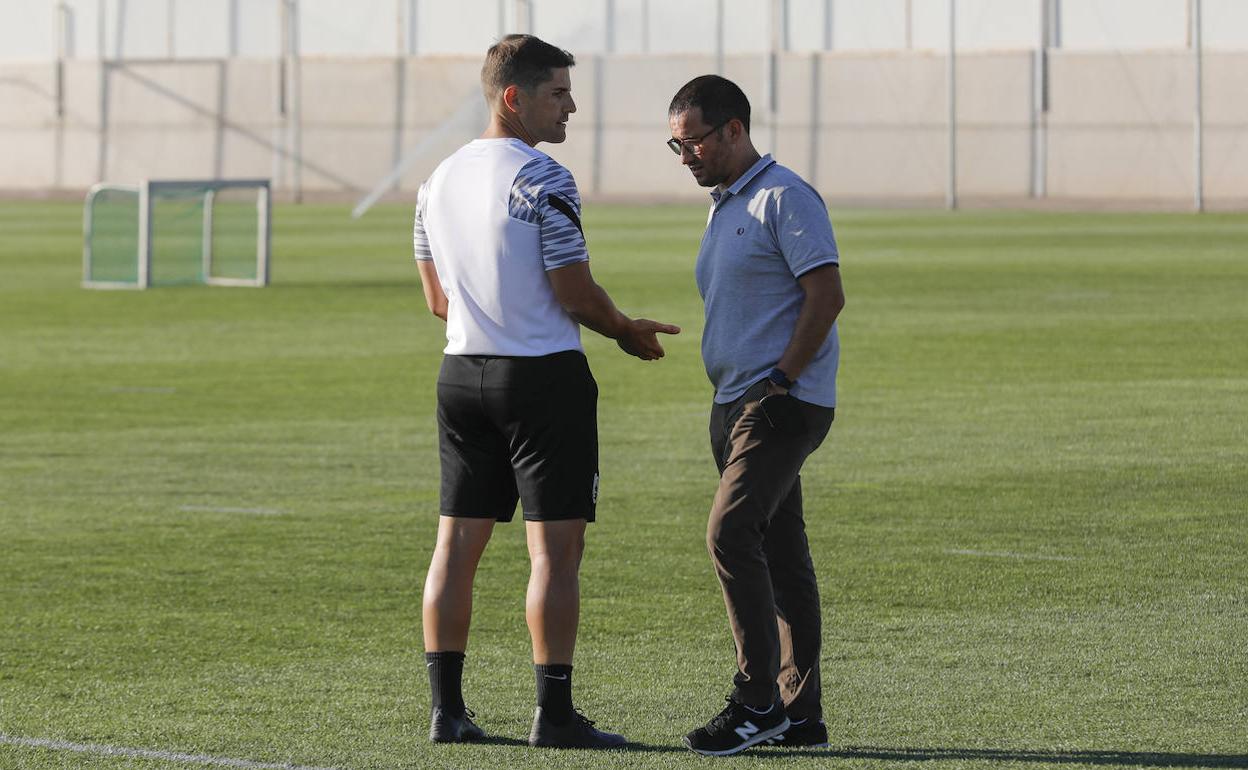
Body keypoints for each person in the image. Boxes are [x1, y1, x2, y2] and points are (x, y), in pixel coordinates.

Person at [413, 34, 679, 749]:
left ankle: (447, 713)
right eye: (558, 93)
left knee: (455, 547)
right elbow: (575, 291)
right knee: (554, 556)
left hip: (461, 374)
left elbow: (437, 300)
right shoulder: (543, 177)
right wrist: (625, 329)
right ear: (514, 97)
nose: (571, 106)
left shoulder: (436, 180)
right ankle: (553, 717)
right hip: (541, 380)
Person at [666, 75, 846, 757]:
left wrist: (781, 378)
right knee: (781, 553)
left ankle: (756, 700)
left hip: (778, 403)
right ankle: (801, 715)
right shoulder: (725, 205)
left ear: (735, 129)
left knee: (730, 534)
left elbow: (825, 294)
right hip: (738, 401)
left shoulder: (784, 197)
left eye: (694, 143)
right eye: (676, 147)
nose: (686, 157)